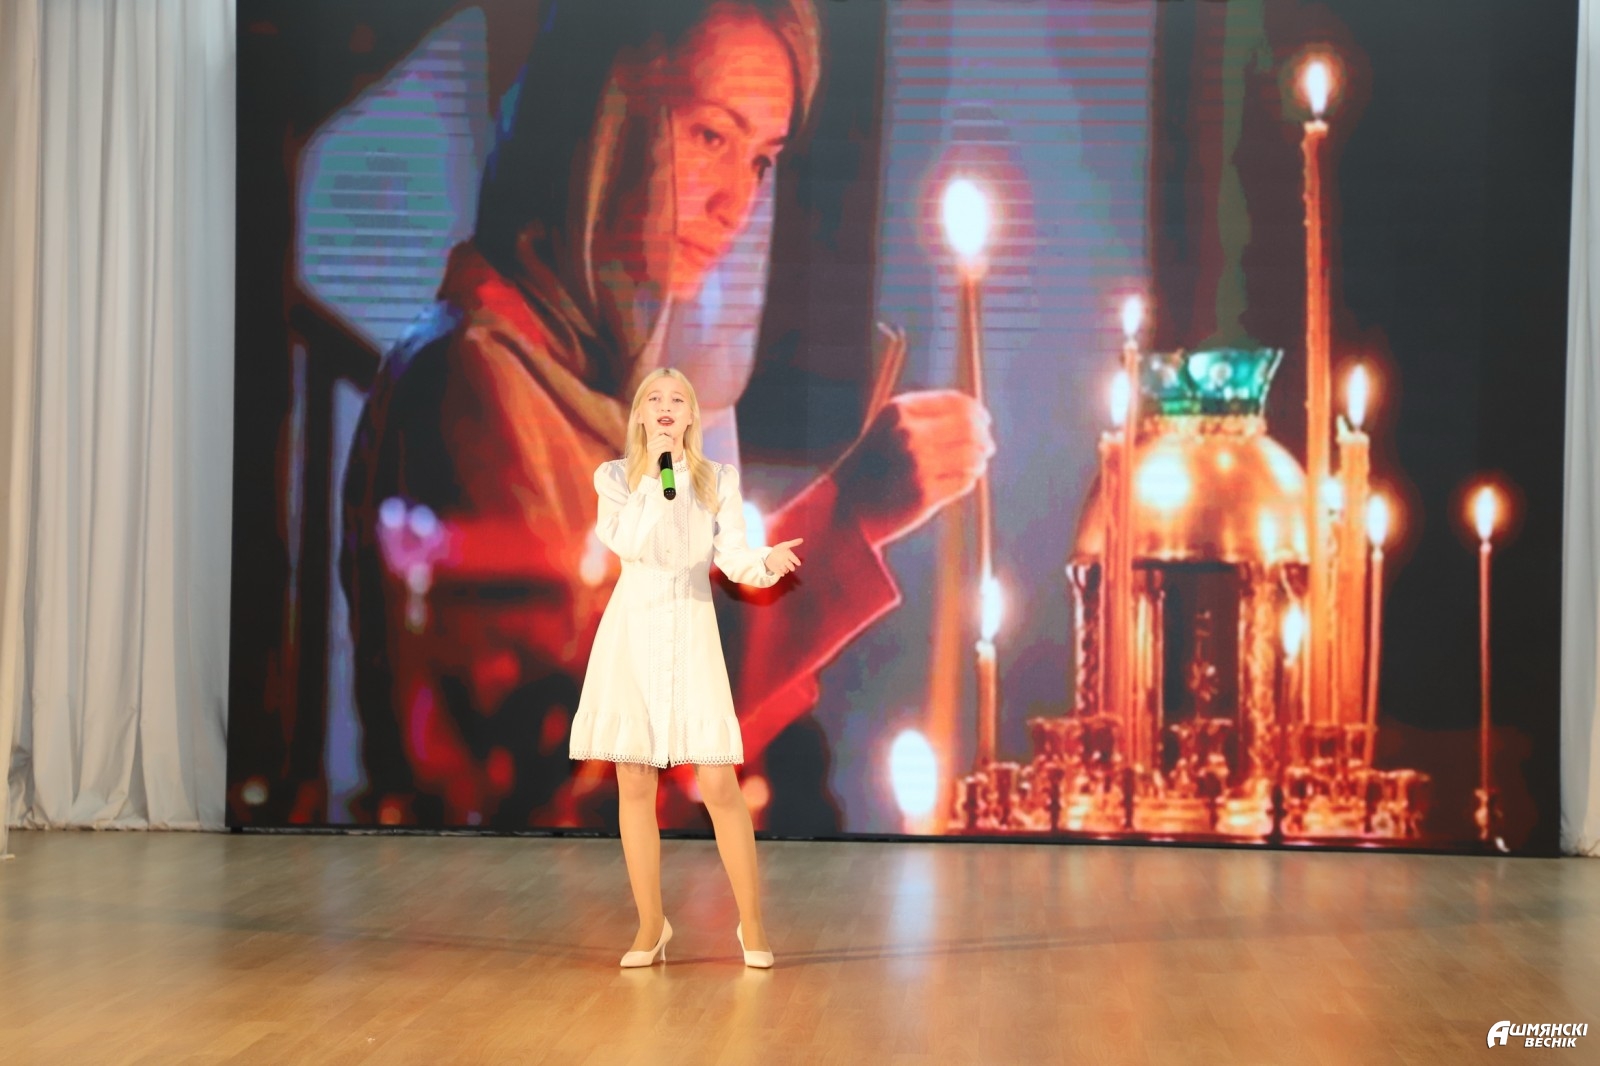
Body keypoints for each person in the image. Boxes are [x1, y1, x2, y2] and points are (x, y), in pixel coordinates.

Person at [340, 0, 992, 828]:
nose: (736, 204)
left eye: (761, 160)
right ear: (602, 120)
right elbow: (580, 752)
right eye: (710, 135)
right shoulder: (472, 380)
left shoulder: (600, 383)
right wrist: (848, 515)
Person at [573, 368, 797, 967]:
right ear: (641, 415)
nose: (666, 406)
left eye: (678, 399)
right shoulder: (615, 478)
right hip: (633, 630)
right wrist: (654, 475)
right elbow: (627, 542)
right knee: (634, 780)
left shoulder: (717, 479)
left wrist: (766, 563)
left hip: (692, 630)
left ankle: (752, 925)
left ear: (693, 415)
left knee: (719, 782)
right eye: (655, 398)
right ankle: (651, 926)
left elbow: (733, 556)